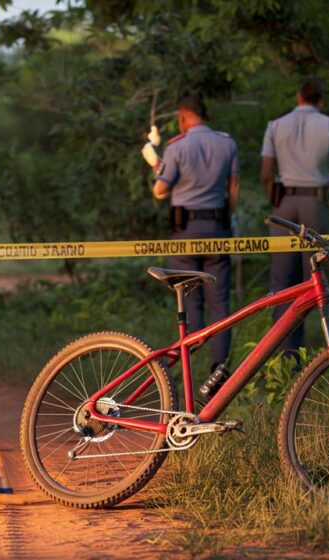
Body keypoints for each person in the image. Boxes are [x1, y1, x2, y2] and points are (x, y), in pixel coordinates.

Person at [145, 96, 239, 368]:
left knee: (189, 299)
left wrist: (156, 165)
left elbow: (160, 190)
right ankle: (219, 367)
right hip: (217, 228)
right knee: (220, 301)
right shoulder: (227, 142)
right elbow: (233, 190)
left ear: (185, 116)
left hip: (185, 231)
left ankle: (190, 361)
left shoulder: (177, 147)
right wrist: (227, 220)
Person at [259, 79, 329, 356]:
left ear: (299, 97)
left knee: (282, 283)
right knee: (317, 277)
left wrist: (277, 200)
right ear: (320, 100)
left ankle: (285, 353)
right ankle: (328, 349)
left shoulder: (276, 125)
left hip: (285, 203)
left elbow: (266, 173)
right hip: (316, 203)